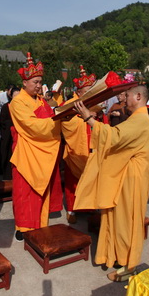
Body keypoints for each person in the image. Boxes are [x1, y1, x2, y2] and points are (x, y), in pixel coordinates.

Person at [72, 85, 149, 282]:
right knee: (116, 220)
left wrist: (88, 119)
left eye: (127, 95)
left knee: (127, 222)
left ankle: (128, 266)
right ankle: (116, 257)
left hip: (132, 181)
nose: (124, 99)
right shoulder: (136, 118)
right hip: (125, 177)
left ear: (139, 96)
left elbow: (114, 137)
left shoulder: (142, 120)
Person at [9, 52, 62, 241]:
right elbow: (32, 126)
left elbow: (49, 118)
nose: (39, 85)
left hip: (41, 151)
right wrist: (57, 120)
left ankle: (40, 222)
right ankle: (23, 226)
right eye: (35, 82)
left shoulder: (40, 100)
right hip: (26, 152)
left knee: (40, 191)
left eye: (40, 82)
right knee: (24, 192)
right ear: (24, 82)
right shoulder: (18, 102)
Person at [60, 65, 97, 224]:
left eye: (91, 90)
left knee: (91, 180)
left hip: (91, 147)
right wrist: (86, 117)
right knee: (73, 181)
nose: (89, 93)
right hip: (76, 149)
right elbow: (65, 123)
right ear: (79, 91)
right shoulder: (71, 103)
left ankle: (89, 207)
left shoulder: (92, 102)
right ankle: (71, 210)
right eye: (87, 90)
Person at [0, 86, 20, 180]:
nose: (17, 98)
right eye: (15, 95)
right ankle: (8, 174)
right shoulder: (6, 106)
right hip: (9, 136)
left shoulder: (24, 107)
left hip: (20, 135)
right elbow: (2, 121)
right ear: (11, 96)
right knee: (8, 154)